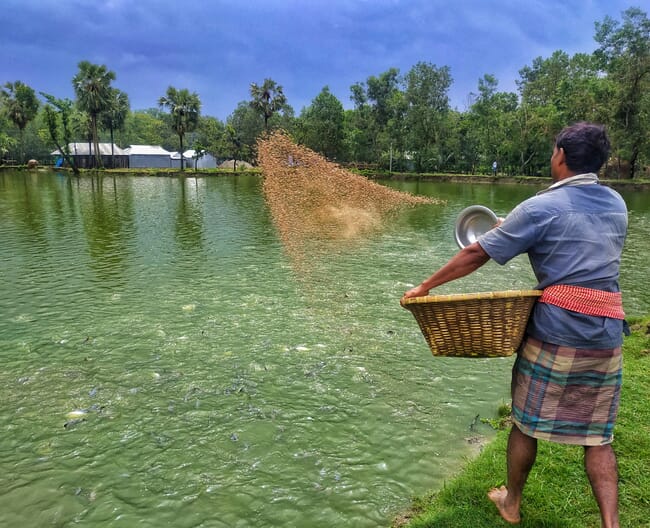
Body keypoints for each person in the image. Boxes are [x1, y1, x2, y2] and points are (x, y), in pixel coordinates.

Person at [402, 122, 627, 528]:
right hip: (607, 329)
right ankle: (611, 524)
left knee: (526, 422)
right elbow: (575, 241)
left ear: (560, 155)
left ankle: (512, 503)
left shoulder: (540, 207)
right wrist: (517, 223)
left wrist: (425, 286)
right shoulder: (616, 203)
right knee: (599, 436)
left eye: (553, 152)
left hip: (558, 330)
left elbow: (475, 253)